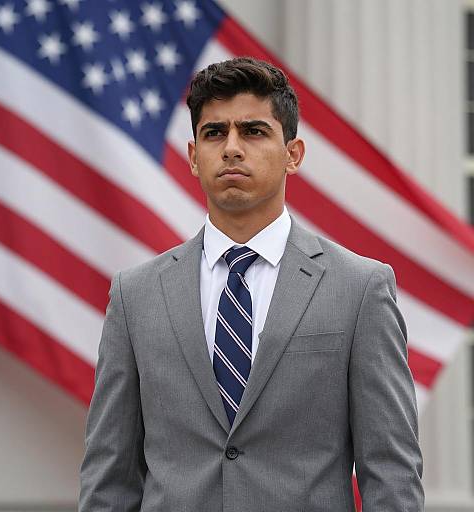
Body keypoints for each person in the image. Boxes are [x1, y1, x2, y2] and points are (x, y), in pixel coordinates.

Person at [79, 57, 424, 511]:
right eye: (214, 133)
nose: (231, 148)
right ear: (193, 157)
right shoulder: (135, 294)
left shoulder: (360, 289)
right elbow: (110, 475)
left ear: (293, 154)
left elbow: (392, 474)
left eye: (254, 131)